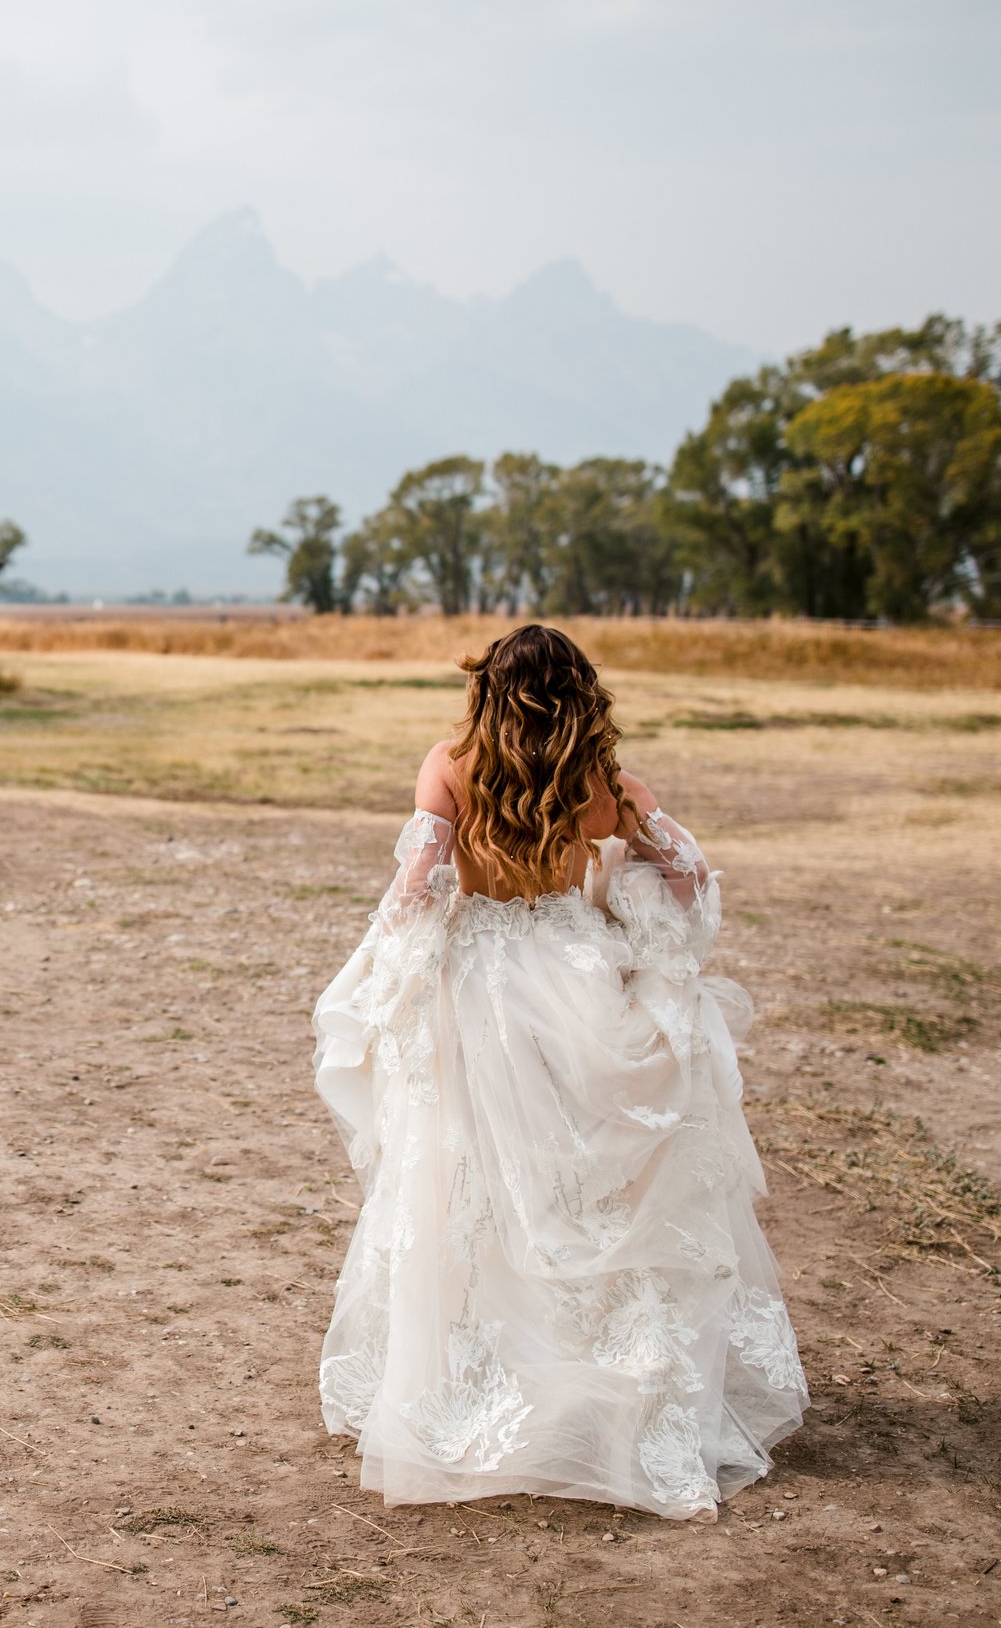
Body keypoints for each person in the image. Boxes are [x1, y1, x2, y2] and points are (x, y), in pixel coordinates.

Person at [311, 624, 807, 1520]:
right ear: (580, 692)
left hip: (480, 986)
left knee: (477, 1173)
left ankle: (483, 1383)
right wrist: (635, 905)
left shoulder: (450, 766)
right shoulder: (605, 784)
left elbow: (417, 888)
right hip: (577, 982)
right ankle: (601, 1379)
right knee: (585, 1179)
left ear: (488, 690)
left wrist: (383, 975)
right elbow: (689, 874)